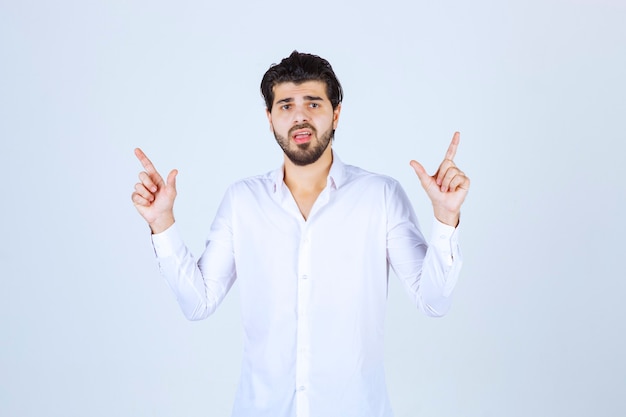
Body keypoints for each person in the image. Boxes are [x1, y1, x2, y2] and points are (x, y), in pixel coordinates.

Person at [131, 51, 470, 417]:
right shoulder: (242, 201)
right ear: (270, 118)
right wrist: (162, 222)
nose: (299, 116)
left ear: (336, 113)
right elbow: (198, 303)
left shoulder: (380, 197)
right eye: (286, 105)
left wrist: (445, 216)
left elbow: (433, 301)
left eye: (313, 102)